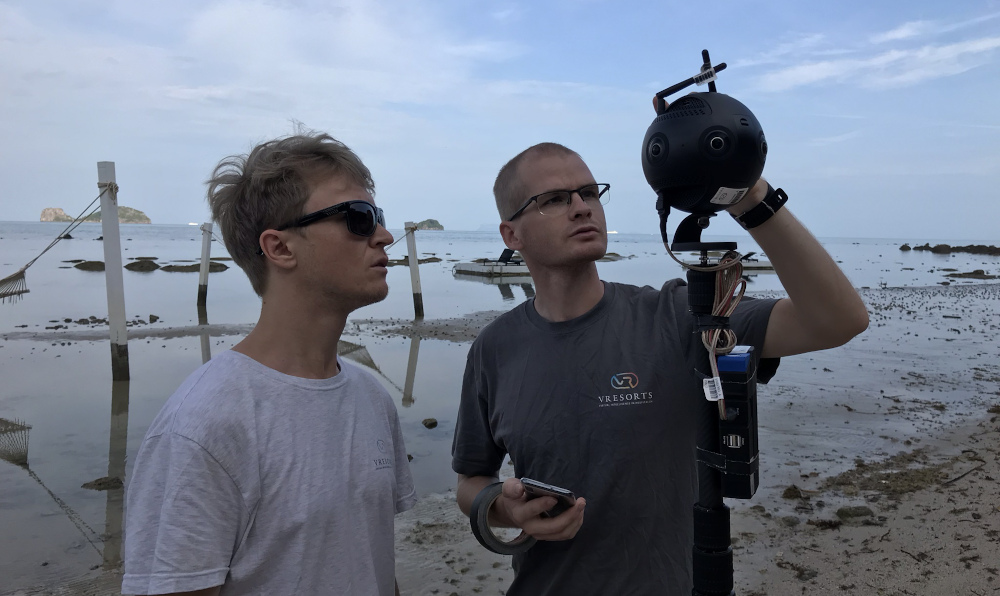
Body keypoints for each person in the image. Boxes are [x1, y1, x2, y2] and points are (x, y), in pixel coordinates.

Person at [451, 140, 869, 594]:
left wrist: (750, 196)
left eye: (589, 193)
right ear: (511, 236)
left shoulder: (676, 317)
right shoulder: (494, 349)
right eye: (554, 199)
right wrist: (504, 508)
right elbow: (472, 478)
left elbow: (837, 320)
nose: (581, 207)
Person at [122, 132, 416, 596]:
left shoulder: (372, 398)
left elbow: (368, 562)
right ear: (280, 248)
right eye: (359, 218)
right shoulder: (203, 426)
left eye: (377, 216)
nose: (384, 235)